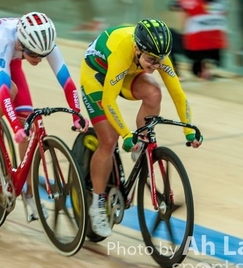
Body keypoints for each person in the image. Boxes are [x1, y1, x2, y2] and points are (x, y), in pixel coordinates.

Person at [79, 19, 203, 237]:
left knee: (155, 92)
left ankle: (141, 143)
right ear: (137, 48)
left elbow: (178, 94)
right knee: (108, 140)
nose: (156, 66)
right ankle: (97, 204)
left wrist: (189, 129)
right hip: (97, 76)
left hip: (127, 73)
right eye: (151, 61)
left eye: (160, 61)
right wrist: (126, 135)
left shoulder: (155, 54)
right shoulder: (122, 51)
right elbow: (109, 102)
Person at [0, 11, 89, 221]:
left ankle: (28, 194)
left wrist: (76, 114)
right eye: (35, 55)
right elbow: (3, 92)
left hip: (11, 63)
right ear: (21, 45)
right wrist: (14, 127)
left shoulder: (42, 42)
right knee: (9, 92)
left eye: (43, 55)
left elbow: (67, 82)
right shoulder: (5, 39)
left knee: (28, 128)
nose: (39, 60)